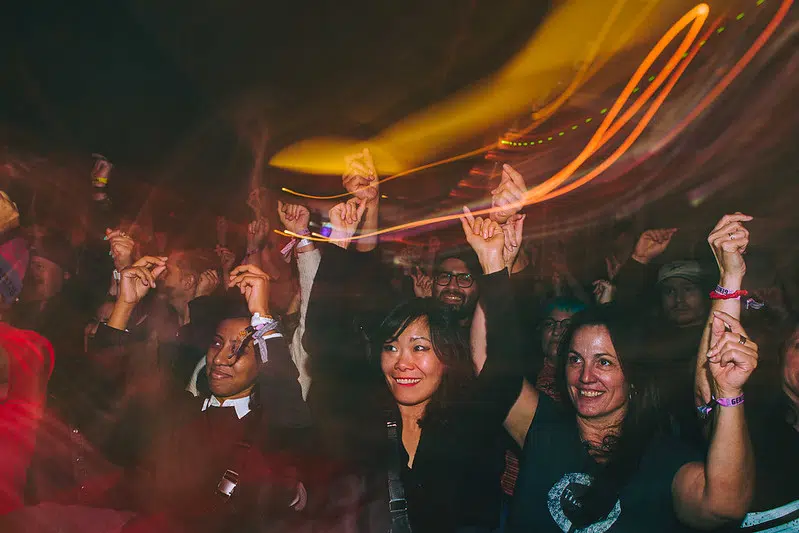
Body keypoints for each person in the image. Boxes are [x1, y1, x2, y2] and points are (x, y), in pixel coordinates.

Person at [504, 213, 759, 532]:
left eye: (605, 362)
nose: (585, 377)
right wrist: (494, 268)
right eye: (574, 359)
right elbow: (491, 366)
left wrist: (730, 393)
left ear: (634, 376)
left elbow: (724, 507)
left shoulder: (660, 458)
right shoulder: (542, 429)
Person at [304, 198, 525, 533]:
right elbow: (323, 345)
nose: (402, 362)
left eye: (419, 347)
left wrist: (494, 264)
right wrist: (337, 244)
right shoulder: (363, 417)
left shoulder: (468, 421)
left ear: (447, 357)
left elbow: (505, 366)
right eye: (391, 347)